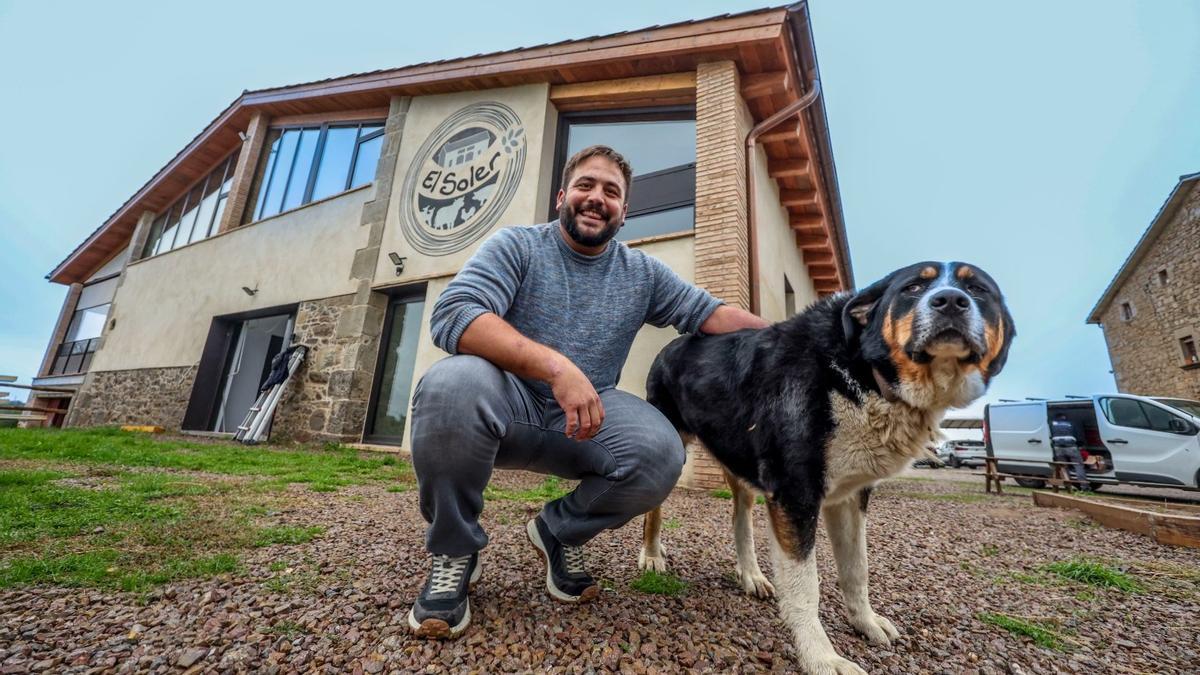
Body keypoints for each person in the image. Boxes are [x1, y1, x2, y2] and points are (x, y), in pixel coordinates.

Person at [406, 145, 768, 638]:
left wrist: (794, 340)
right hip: (504, 404)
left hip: (582, 421)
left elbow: (712, 314)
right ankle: (455, 551)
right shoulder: (517, 245)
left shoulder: (641, 273)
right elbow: (454, 314)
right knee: (450, 384)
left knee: (663, 452)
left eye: (611, 192)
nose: (597, 198)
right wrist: (556, 368)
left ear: (624, 211)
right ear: (562, 197)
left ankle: (558, 531)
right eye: (586, 185)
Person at [1049, 412, 1090, 489]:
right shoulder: (1071, 423)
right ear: (1064, 417)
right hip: (1071, 447)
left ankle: (1068, 487)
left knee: (1064, 467)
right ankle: (1084, 487)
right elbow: (1078, 435)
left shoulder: (1051, 424)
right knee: (1078, 465)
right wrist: (1080, 445)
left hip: (1057, 448)